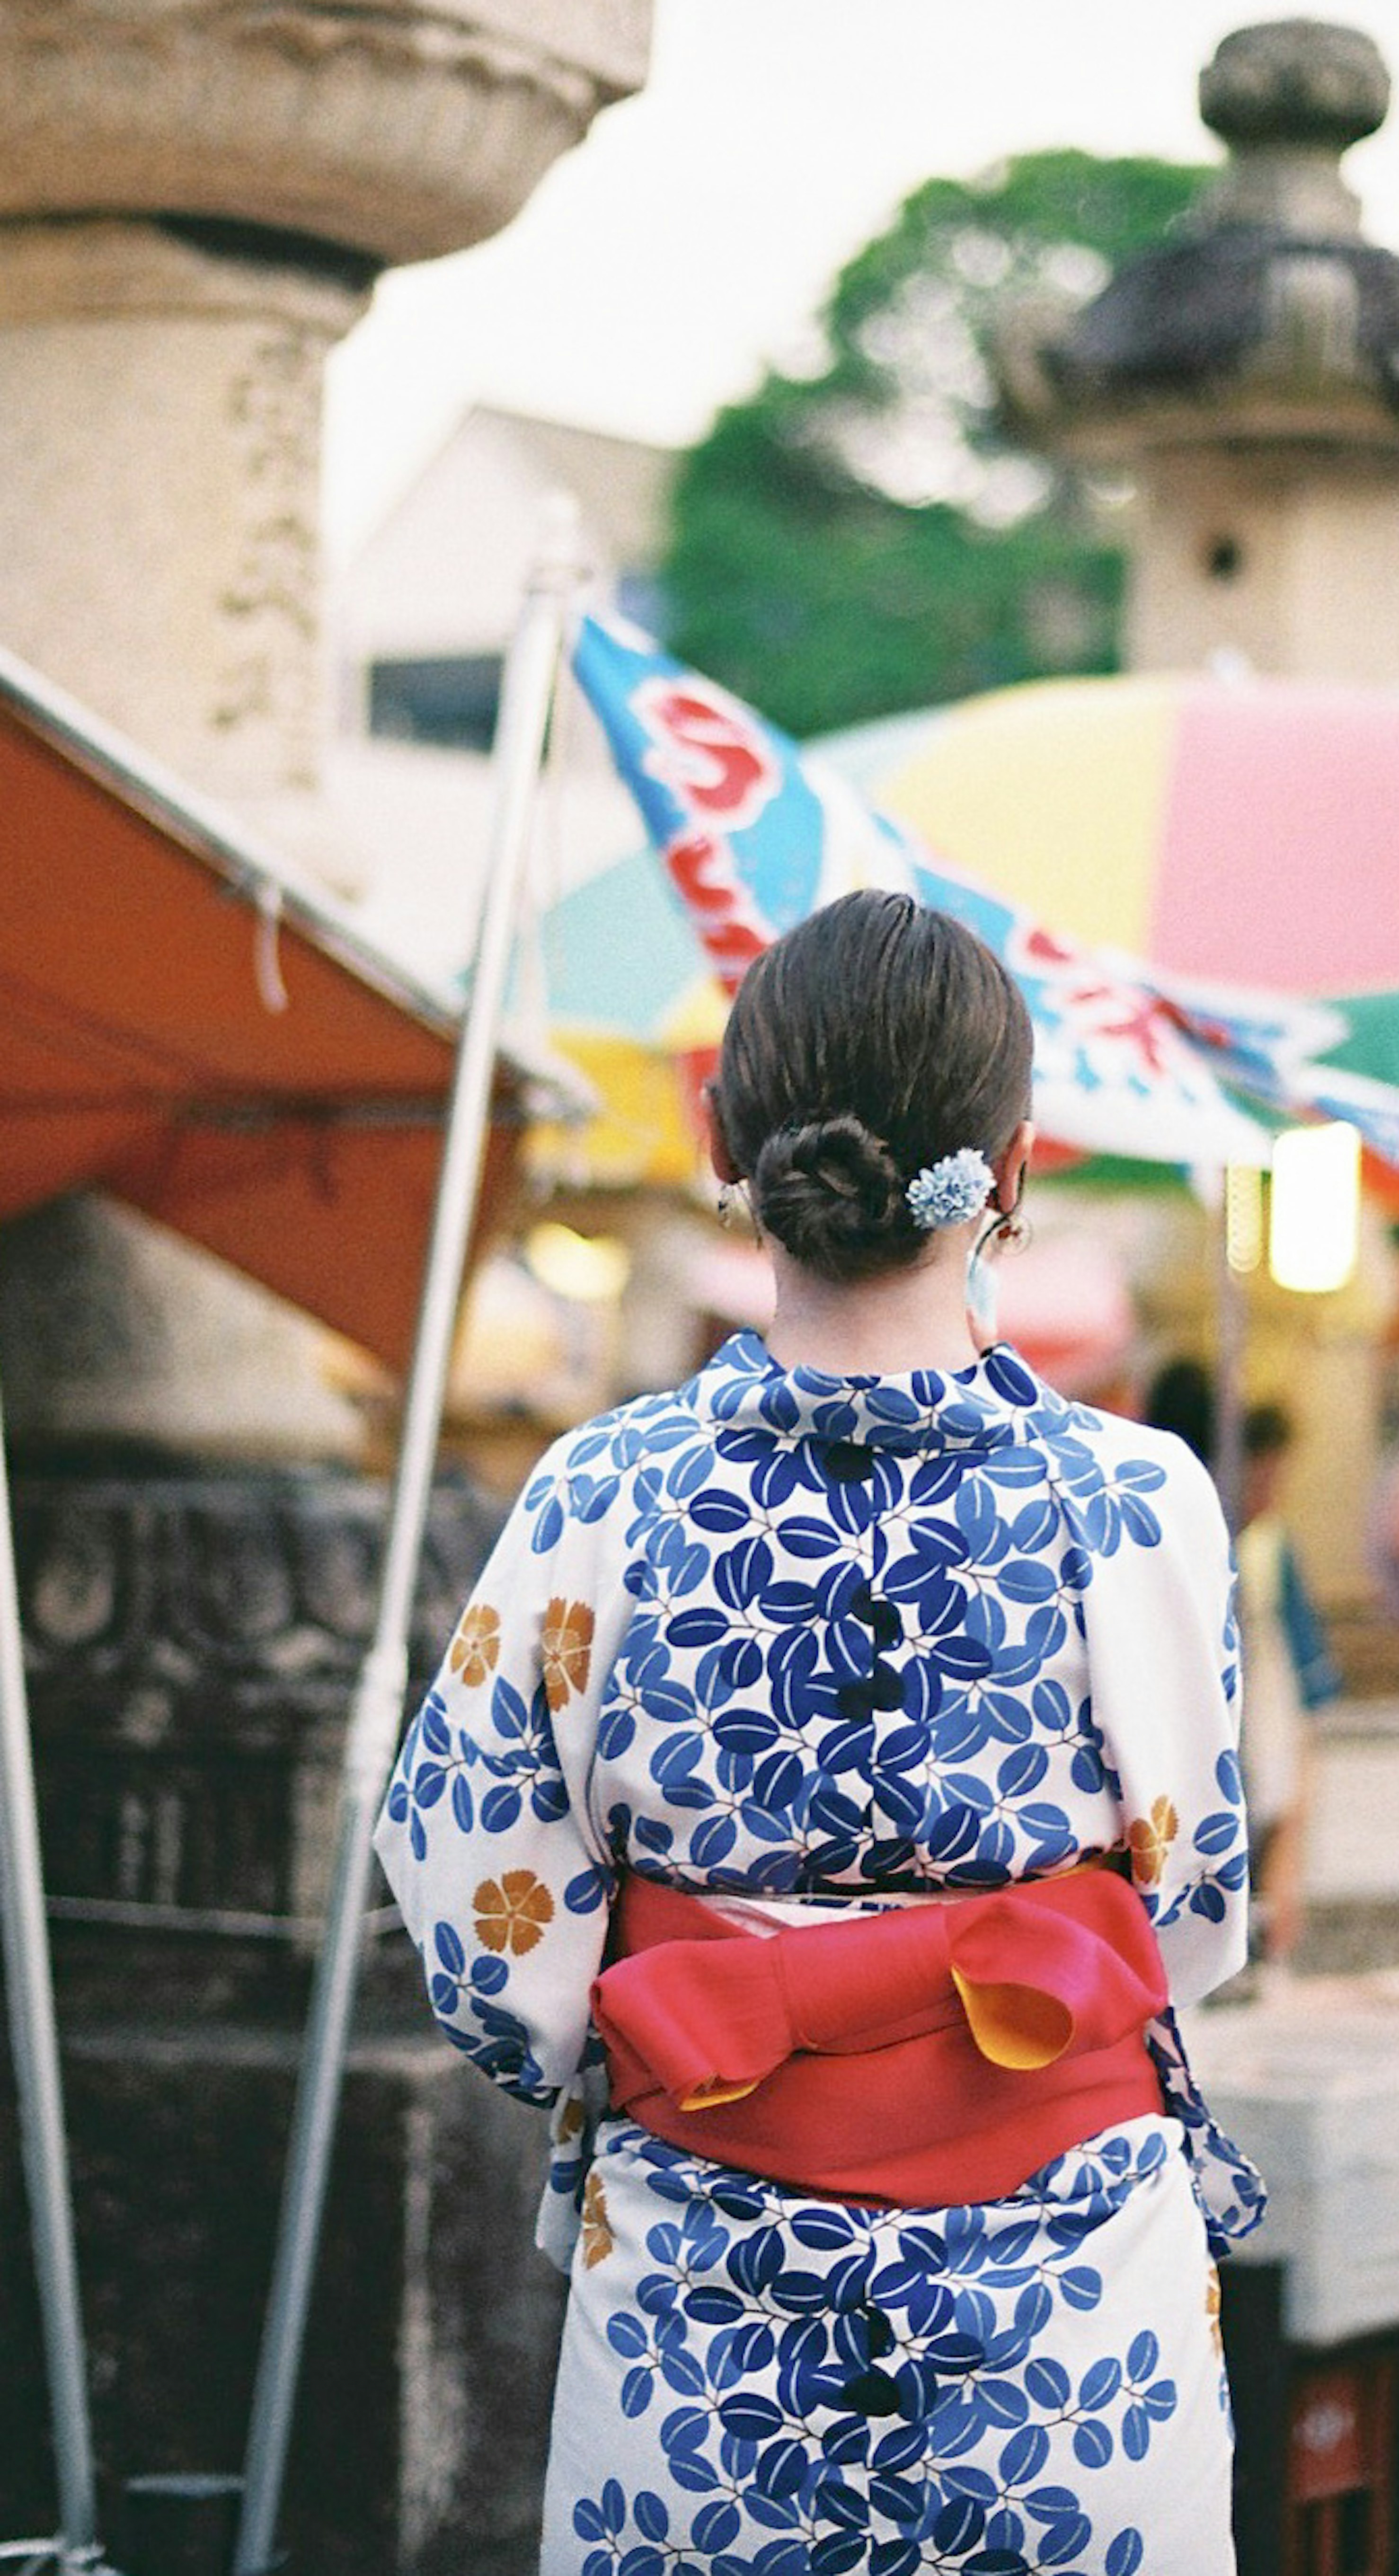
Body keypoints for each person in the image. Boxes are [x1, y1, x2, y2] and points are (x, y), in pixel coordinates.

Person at [376, 890, 1261, 2576]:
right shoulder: (1131, 1498)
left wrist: (664, 2038)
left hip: (707, 2270)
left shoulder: (606, 1489)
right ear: (1012, 1166)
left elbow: (467, 1869)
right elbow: (1193, 1901)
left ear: (723, 1133)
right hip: (1065, 2276)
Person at [1143, 1368, 1337, 1965]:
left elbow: (1302, 1711)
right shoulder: (1153, 1557)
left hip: (1252, 1828)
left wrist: (1287, 1856)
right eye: (1261, 1476)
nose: (1269, 1496)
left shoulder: (1267, 1556)